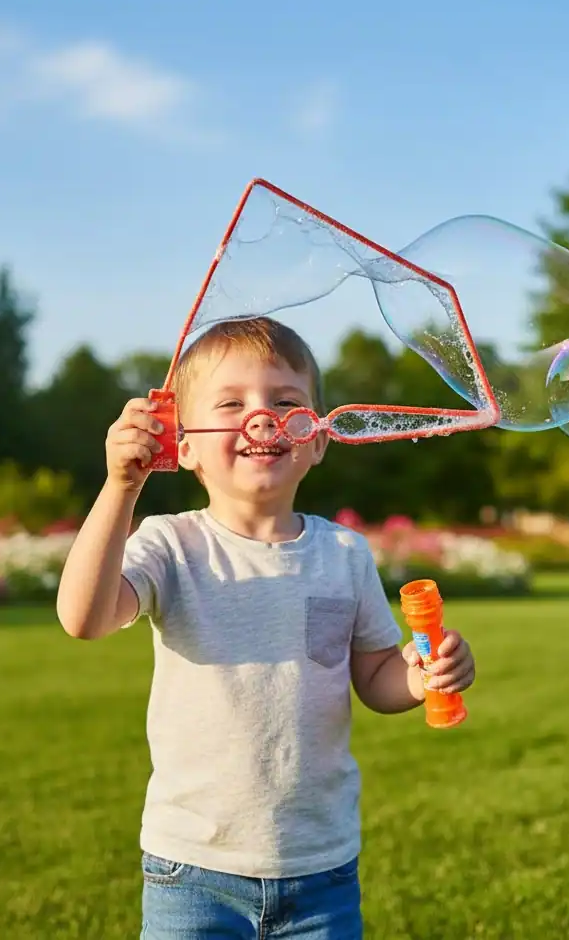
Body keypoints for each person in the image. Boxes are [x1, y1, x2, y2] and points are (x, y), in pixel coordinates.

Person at [56, 316, 477, 939]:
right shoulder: (171, 544)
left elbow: (376, 677)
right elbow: (84, 618)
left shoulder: (345, 553)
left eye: (287, 402)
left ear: (318, 438)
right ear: (185, 444)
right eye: (231, 403)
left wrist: (420, 675)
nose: (264, 418)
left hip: (320, 871)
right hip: (192, 869)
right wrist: (122, 486)